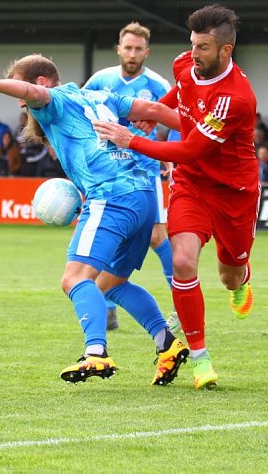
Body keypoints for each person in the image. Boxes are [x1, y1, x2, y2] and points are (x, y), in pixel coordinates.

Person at [0, 54, 189, 386]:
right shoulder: (99, 95)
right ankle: (166, 345)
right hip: (143, 196)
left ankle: (95, 353)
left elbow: (36, 96)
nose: (26, 109)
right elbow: (154, 112)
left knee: (74, 278)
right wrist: (204, 136)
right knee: (111, 283)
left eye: (23, 100)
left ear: (39, 83)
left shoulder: (56, 100)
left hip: (110, 195)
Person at [94, 4, 259, 390]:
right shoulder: (186, 64)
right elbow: (181, 91)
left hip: (234, 193)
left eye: (203, 47)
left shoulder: (235, 99)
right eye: (192, 44)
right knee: (183, 260)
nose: (193, 54)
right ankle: (200, 359)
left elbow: (190, 150)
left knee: (229, 274)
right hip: (192, 186)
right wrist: (159, 109)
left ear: (226, 51)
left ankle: (241, 277)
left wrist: (130, 139)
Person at [82, 21, 174, 331]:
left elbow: (180, 119)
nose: (132, 54)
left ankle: (182, 301)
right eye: (128, 48)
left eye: (138, 49)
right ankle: (107, 307)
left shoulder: (159, 85)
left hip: (144, 168)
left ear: (146, 52)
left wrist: (172, 154)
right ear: (118, 49)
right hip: (108, 170)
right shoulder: (100, 80)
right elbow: (81, 115)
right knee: (111, 235)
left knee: (157, 236)